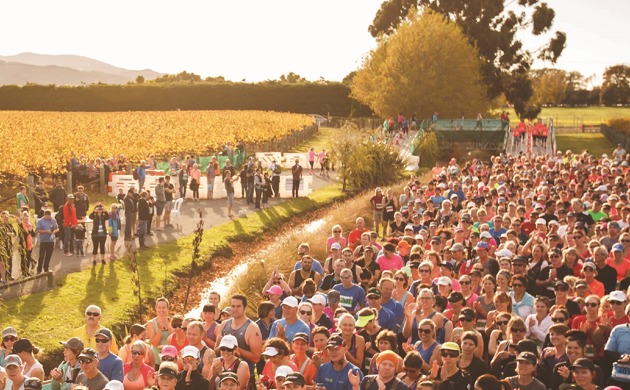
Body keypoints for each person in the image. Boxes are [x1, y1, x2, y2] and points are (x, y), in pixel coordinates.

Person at [216, 294, 263, 388]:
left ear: (244, 308)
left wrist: (235, 348)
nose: (235, 309)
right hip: (223, 376)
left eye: (238, 306)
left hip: (243, 377)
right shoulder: (224, 324)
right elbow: (216, 349)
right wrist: (225, 347)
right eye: (233, 306)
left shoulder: (252, 328)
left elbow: (256, 358)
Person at [146, 297, 173, 369]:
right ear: (156, 308)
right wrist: (160, 329)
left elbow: (176, 339)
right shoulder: (151, 323)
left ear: (167, 308)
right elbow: (155, 343)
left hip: (171, 358)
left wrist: (169, 328)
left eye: (164, 307)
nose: (161, 310)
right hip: (156, 359)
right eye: (159, 307)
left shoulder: (172, 321)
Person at [35, 209, 58, 274]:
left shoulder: (53, 220)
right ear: (45, 215)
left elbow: (57, 228)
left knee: (49, 255)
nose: (48, 218)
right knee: (41, 256)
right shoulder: (40, 221)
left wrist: (53, 231)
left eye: (49, 216)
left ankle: (46, 268)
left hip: (51, 240)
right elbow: (38, 230)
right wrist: (46, 231)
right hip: (43, 240)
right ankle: (39, 269)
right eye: (47, 216)